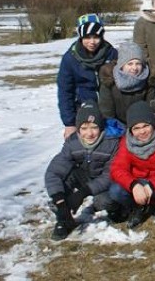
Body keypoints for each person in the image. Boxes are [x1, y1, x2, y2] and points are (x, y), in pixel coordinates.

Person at [44, 102, 123, 240]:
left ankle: (117, 210)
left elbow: (109, 175)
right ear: (78, 128)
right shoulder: (72, 143)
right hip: (84, 177)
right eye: (84, 128)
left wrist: (82, 193)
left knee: (103, 201)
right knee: (63, 182)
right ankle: (64, 219)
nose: (89, 133)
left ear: (101, 127)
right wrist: (60, 200)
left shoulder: (112, 143)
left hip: (104, 183)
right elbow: (54, 172)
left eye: (94, 127)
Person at [110, 101, 155, 229]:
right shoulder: (125, 143)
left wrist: (153, 185)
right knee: (115, 190)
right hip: (138, 183)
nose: (142, 131)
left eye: (146, 126)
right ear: (131, 130)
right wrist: (133, 185)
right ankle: (137, 209)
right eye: (136, 128)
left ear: (153, 125)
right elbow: (117, 169)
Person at [57, 13, 117, 138]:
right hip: (84, 110)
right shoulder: (70, 59)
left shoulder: (111, 54)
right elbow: (65, 92)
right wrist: (69, 123)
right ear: (80, 37)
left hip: (110, 109)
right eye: (87, 37)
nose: (92, 42)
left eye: (96, 37)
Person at [99, 41, 155, 132]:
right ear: (122, 65)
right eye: (130, 64)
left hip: (142, 127)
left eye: (138, 63)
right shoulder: (109, 82)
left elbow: (151, 109)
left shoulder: (149, 80)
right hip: (117, 127)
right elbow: (107, 113)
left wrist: (139, 128)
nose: (134, 68)